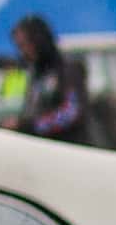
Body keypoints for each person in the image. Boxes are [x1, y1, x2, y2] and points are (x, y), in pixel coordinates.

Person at [6, 14, 89, 144]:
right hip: (40, 147)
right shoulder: (35, 73)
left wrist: (28, 125)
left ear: (39, 41)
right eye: (19, 47)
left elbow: (71, 113)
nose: (23, 52)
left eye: (25, 45)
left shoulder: (67, 68)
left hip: (68, 148)